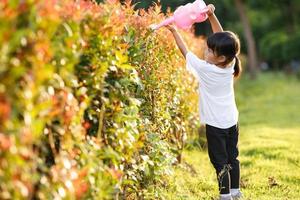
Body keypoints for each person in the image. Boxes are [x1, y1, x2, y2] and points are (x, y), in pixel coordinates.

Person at [165, 4, 243, 200]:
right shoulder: (230, 63)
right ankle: (235, 192)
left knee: (220, 160)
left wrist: (175, 31)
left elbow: (185, 52)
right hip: (232, 121)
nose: (205, 52)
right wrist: (211, 16)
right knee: (232, 157)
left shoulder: (206, 69)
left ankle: (225, 196)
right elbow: (222, 36)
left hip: (216, 124)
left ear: (221, 57)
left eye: (209, 51)